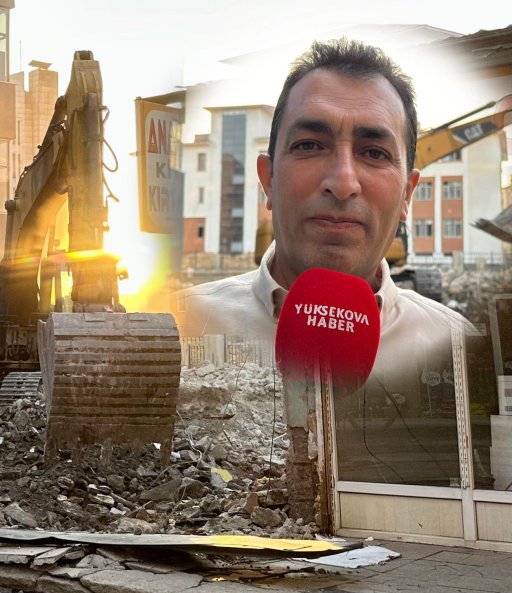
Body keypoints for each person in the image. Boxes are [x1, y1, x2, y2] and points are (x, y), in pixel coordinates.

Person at [176, 38, 471, 361]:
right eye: (309, 146)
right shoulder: (176, 330)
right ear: (268, 179)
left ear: (406, 194)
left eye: (374, 153)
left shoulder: (461, 349)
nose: (343, 183)